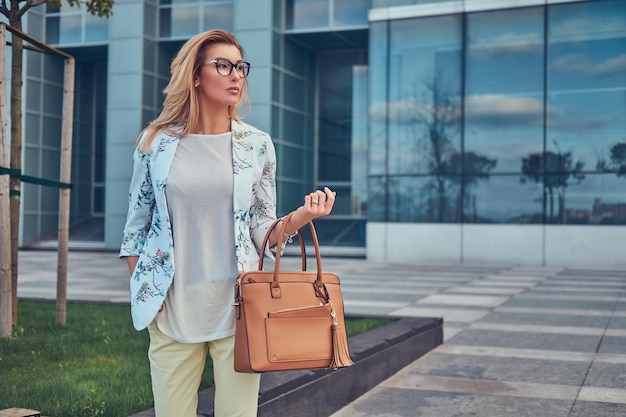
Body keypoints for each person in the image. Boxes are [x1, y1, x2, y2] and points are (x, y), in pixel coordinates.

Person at [119, 29, 336, 417]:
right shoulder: (155, 143)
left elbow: (261, 229)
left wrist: (302, 217)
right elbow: (136, 226)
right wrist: (145, 291)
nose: (236, 74)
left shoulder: (257, 145)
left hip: (238, 312)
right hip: (171, 311)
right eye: (223, 65)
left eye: (240, 66)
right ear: (196, 76)